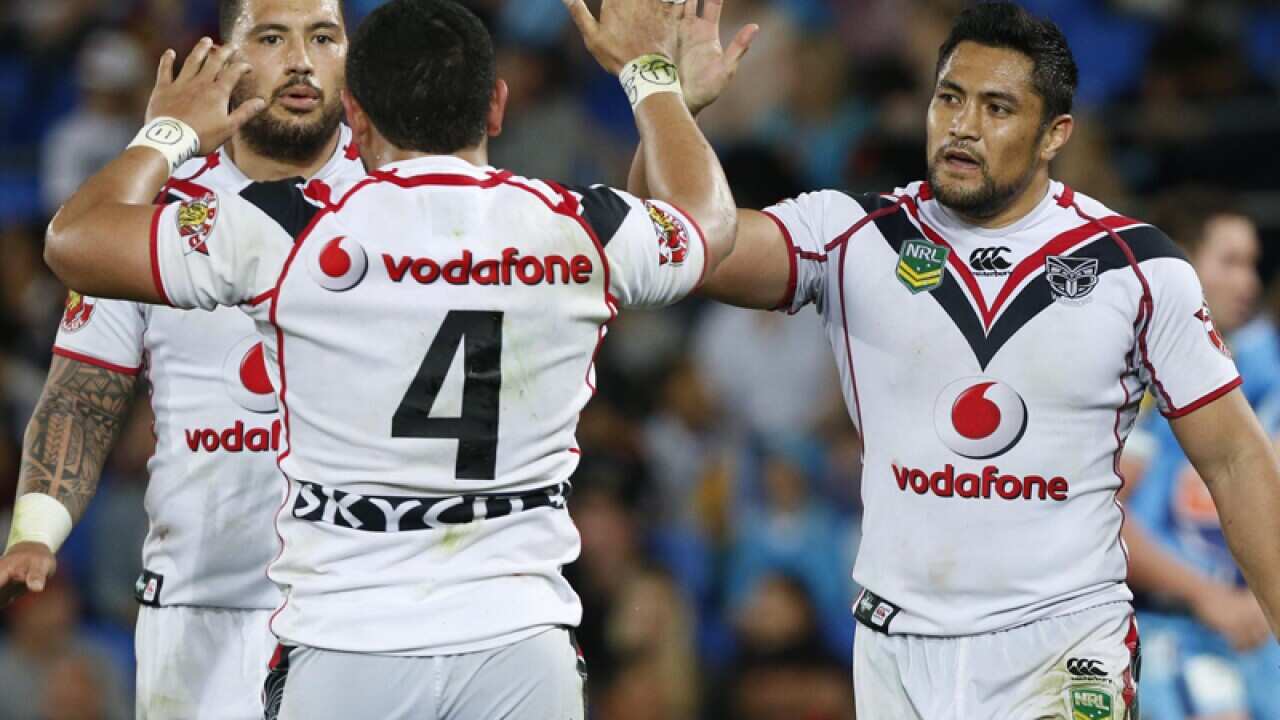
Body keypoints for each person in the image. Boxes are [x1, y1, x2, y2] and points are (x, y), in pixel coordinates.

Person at [39, 0, 737, 717]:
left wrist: (170, 132)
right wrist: (654, 84)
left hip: (350, 640)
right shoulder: (578, 225)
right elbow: (706, 224)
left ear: (358, 116)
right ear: (496, 107)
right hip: (520, 638)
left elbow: (75, 241)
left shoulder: (288, 229)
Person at [630, 2, 1280, 717]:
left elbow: (1235, 460)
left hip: (1065, 645)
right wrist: (666, 105)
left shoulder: (1137, 266)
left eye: (997, 107)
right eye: (950, 98)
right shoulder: (849, 235)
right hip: (897, 649)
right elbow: (672, 251)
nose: (963, 125)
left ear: (1053, 135)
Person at [0, 0, 364, 717]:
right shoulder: (152, 211)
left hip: (363, 603)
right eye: (270, 37)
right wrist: (36, 531)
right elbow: (81, 393)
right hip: (201, 611)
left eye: (323, 37)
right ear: (222, 59)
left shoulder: (401, 197)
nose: (300, 60)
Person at [1119, 192, 1280, 720]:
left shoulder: (1260, 369)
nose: (1249, 283)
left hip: (1253, 632)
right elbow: (1102, 517)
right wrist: (1204, 596)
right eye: (1230, 262)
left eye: (1252, 264)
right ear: (1180, 267)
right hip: (1168, 631)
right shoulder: (1135, 379)